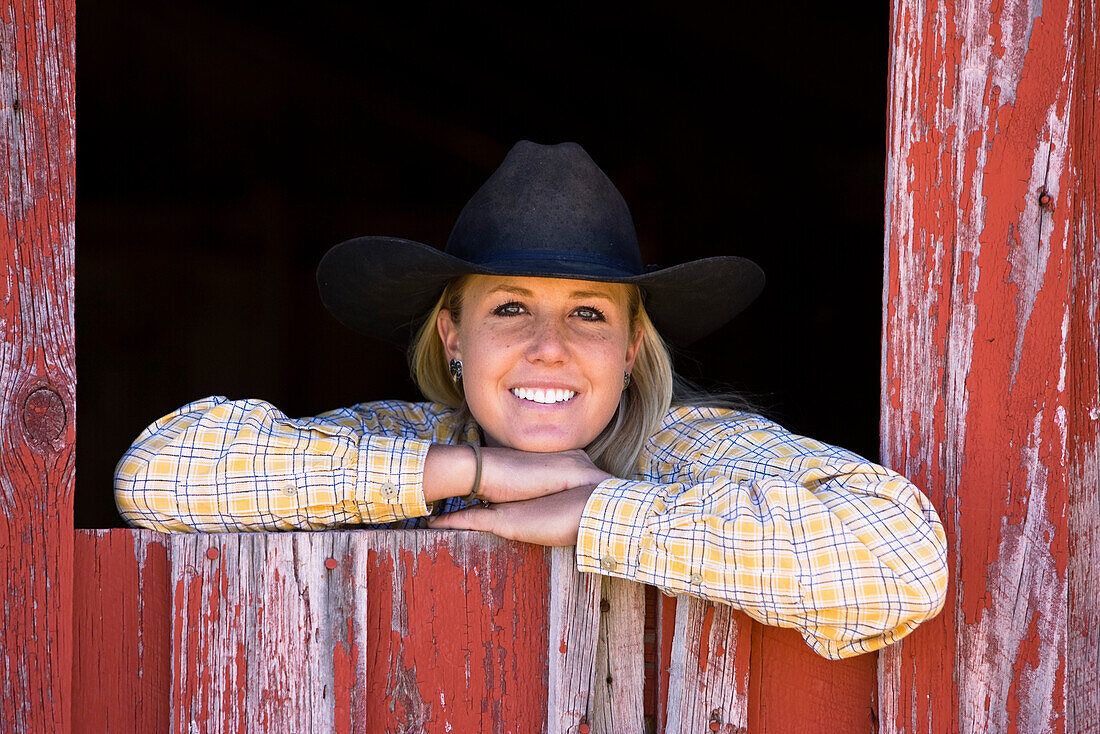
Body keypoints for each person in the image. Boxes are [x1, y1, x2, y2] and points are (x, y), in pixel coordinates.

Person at [115, 141, 948, 660]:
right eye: (510, 307)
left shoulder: (691, 449)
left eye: (587, 313)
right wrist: (472, 469)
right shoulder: (405, 440)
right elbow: (155, 476)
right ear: (452, 334)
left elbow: (903, 562)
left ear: (630, 349)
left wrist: (600, 514)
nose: (547, 346)